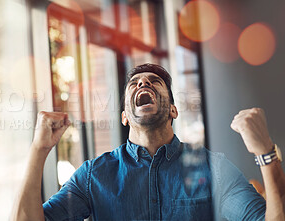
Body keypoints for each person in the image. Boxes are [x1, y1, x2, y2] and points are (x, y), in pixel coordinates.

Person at [15, 64, 285, 220]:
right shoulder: (92, 176)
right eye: (134, 83)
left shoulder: (213, 168)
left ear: (173, 110)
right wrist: (39, 150)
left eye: (155, 81)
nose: (143, 83)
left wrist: (266, 154)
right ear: (124, 117)